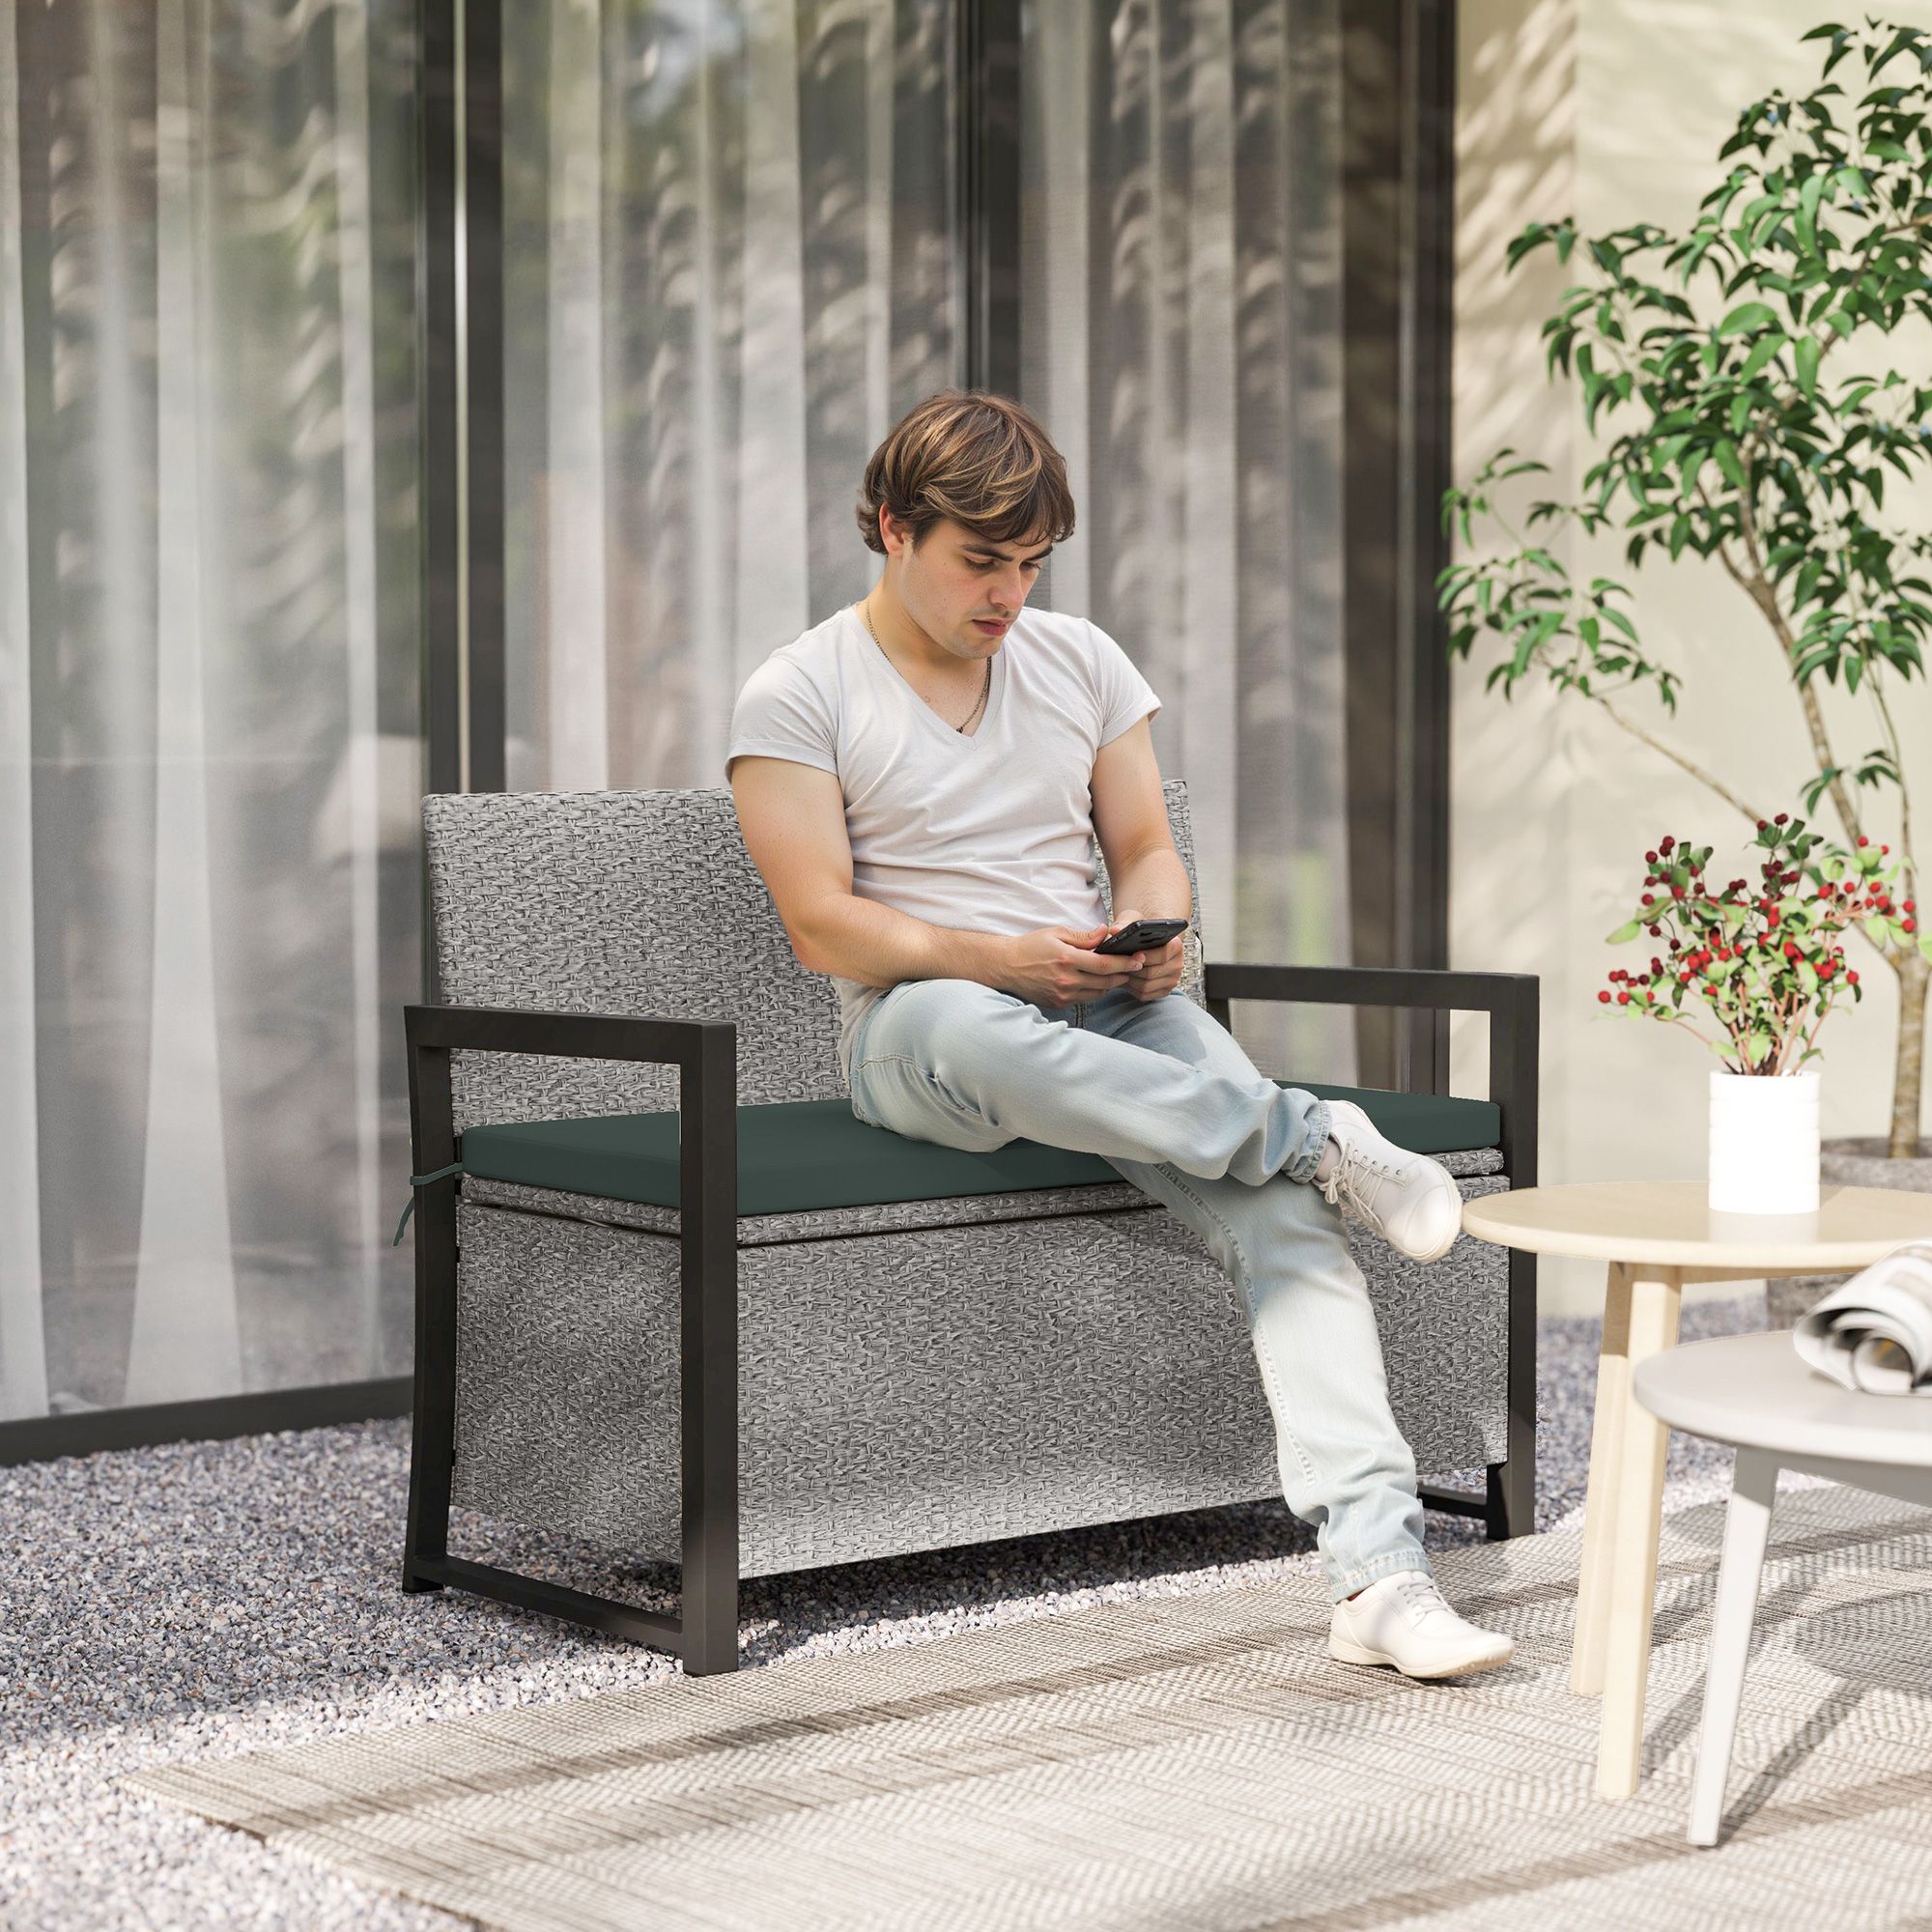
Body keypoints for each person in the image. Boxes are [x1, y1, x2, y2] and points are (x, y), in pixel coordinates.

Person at [724, 389, 1514, 1680]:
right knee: (980, 1030)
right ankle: (1312, 1131)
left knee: (1286, 1221)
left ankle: (1381, 1580)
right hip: (925, 1032)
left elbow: (1145, 845)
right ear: (893, 528)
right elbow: (823, 926)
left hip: (1113, 1006)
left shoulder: (1083, 661)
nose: (1010, 594)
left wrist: (1155, 928)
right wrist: (1005, 961)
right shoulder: (799, 691)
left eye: (1033, 564)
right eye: (982, 560)